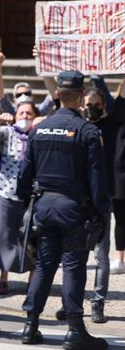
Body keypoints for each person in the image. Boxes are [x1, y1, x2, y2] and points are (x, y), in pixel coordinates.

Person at [17, 71, 110, 350]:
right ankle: (75, 328)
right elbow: (97, 180)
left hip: (44, 206)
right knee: (72, 266)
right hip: (73, 208)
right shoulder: (88, 131)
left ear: (57, 94)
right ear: (81, 95)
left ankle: (30, 325)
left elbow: (24, 175)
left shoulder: (39, 129)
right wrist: (101, 213)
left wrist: (28, 204)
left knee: (45, 265)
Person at [54, 79, 125, 324]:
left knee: (101, 256)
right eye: (89, 104)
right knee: (72, 256)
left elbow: (119, 99)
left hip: (100, 200)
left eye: (97, 104)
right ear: (81, 103)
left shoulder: (112, 125)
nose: (92, 108)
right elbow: (57, 95)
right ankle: (70, 303)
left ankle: (97, 304)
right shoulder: (76, 125)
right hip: (76, 200)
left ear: (104, 105)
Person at [0, 100, 38, 295]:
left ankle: (33, 279)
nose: (25, 117)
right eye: (21, 113)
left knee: (34, 238)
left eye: (29, 113)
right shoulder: (6, 133)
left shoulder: (38, 135)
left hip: (32, 195)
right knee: (4, 236)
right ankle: (4, 277)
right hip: (5, 191)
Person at [0, 47, 56, 117]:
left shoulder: (39, 113)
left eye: (27, 93)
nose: (25, 116)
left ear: (32, 97)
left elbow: (53, 93)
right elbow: (0, 95)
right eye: (19, 95)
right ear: (14, 99)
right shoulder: (12, 112)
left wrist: (45, 60)